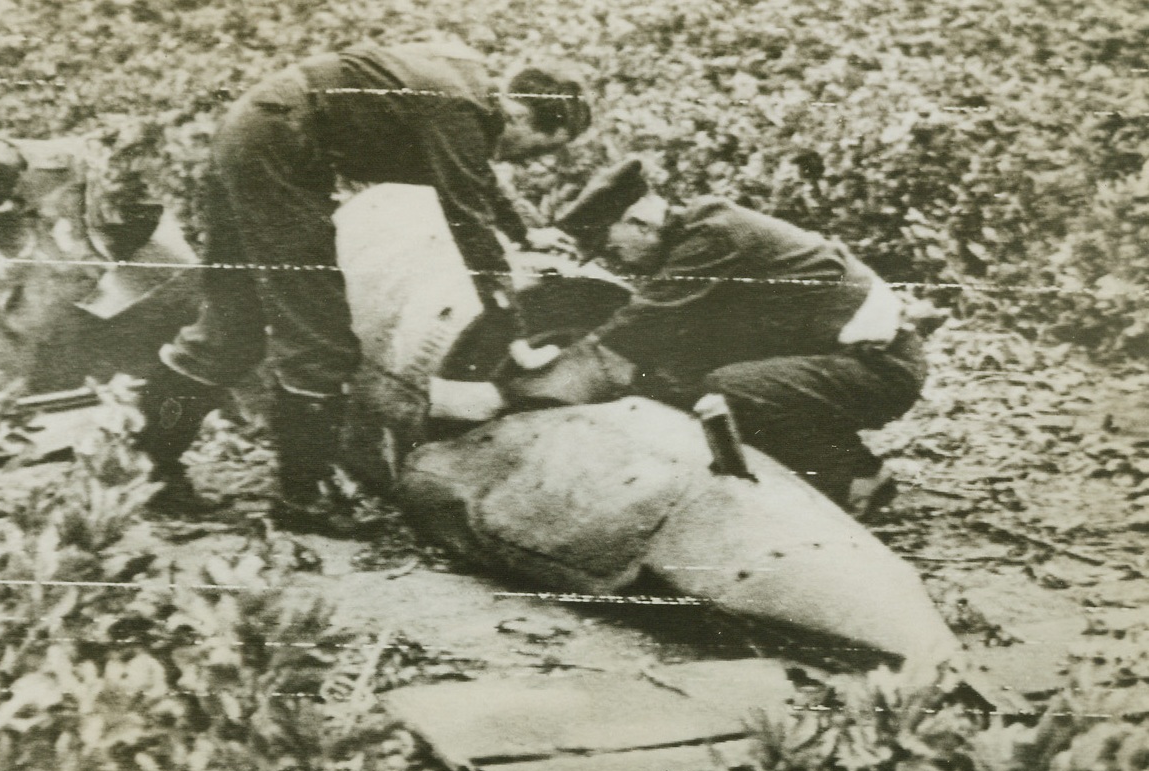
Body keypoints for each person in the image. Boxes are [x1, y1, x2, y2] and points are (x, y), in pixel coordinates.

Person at [135, 40, 590, 533]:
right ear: (521, 118)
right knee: (320, 338)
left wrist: (526, 234)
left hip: (252, 131)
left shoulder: (469, 92)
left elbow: (476, 182)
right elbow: (469, 219)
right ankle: (301, 500)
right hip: (281, 148)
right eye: (542, 149)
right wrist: (513, 329)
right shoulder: (461, 110)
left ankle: (150, 475)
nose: (528, 163)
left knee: (232, 323)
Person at [506, 187, 926, 516]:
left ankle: (857, 476)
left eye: (614, 249)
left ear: (638, 222)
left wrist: (525, 389)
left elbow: (643, 320)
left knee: (727, 391)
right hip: (839, 361)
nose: (622, 264)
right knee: (683, 381)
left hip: (880, 369)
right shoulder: (694, 237)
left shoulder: (714, 233)